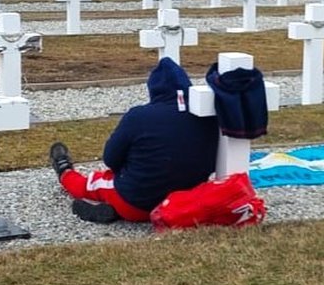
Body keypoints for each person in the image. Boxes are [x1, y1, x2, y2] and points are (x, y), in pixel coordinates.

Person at [49, 57, 220, 223]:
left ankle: (65, 171)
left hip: (137, 203)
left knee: (95, 182)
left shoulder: (139, 116)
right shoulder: (209, 116)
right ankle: (116, 209)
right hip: (187, 200)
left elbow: (110, 159)